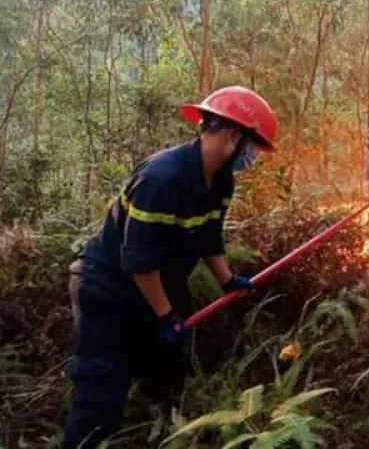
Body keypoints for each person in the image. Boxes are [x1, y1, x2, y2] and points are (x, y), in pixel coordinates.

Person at [62, 86, 278, 448]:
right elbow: (139, 261)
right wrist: (164, 315)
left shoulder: (221, 180)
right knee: (101, 392)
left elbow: (209, 236)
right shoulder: (162, 178)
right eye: (252, 146)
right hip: (109, 288)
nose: (252, 157)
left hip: (161, 281)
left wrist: (227, 281)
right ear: (233, 136)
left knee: (165, 371)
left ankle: (152, 431)